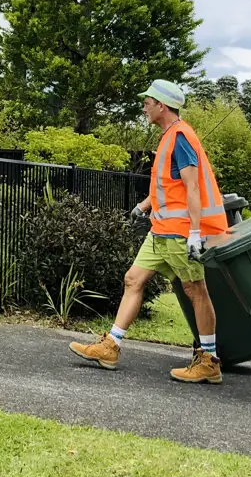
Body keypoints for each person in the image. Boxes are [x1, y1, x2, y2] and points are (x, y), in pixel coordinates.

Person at [69, 79, 229, 383]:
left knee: (196, 291)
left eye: (148, 102)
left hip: (181, 233)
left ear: (162, 105)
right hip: (161, 232)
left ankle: (209, 361)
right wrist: (143, 206)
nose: (144, 107)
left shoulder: (181, 137)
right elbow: (168, 186)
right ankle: (111, 347)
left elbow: (192, 188)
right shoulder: (169, 137)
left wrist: (195, 233)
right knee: (133, 279)